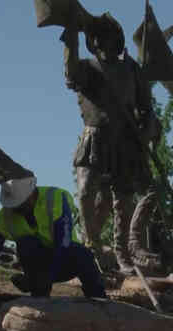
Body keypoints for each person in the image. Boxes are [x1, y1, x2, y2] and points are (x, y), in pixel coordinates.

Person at [60, 12, 160, 275]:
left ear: (116, 39)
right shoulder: (86, 67)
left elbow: (146, 108)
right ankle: (92, 247)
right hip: (94, 137)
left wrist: (146, 132)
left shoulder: (131, 69)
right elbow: (70, 74)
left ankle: (121, 252)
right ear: (93, 41)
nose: (103, 42)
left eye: (109, 36)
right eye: (98, 37)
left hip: (124, 139)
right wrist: (70, 39)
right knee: (84, 192)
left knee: (122, 200)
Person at [0, 177, 107, 299]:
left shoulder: (55, 198)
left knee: (83, 254)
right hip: (38, 267)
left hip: (66, 260)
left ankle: (98, 298)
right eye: (14, 206)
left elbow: (63, 244)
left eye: (21, 204)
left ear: (32, 193)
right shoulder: (5, 217)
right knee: (26, 244)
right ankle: (39, 296)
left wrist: (47, 277)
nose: (17, 209)